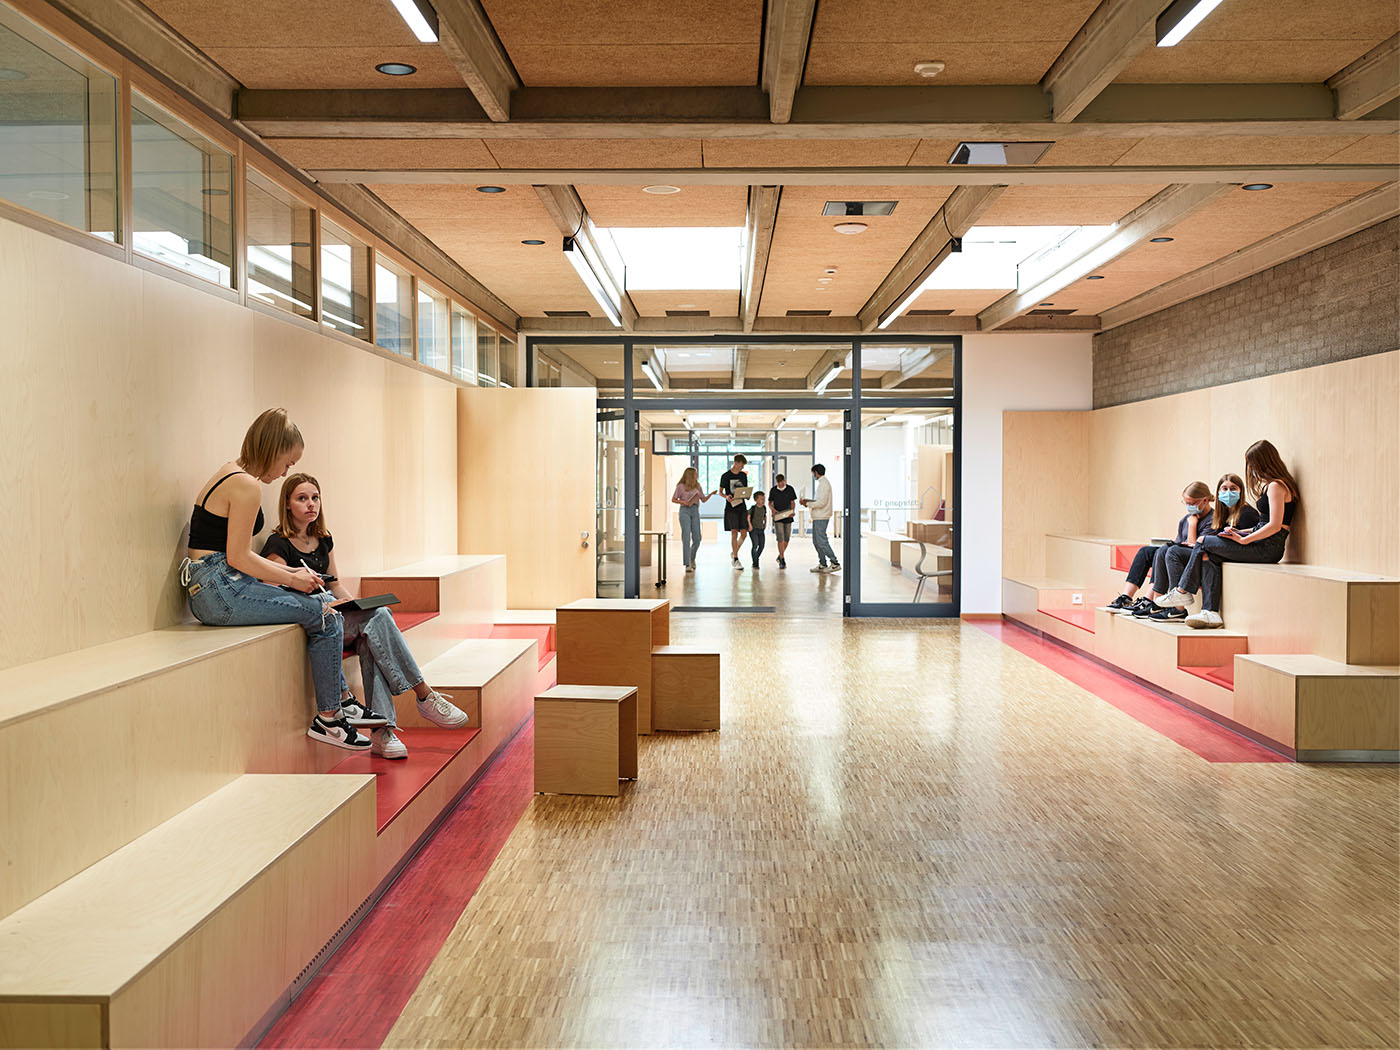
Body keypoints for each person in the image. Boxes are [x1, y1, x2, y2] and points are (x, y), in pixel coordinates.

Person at [179, 408, 369, 752]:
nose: (285, 473)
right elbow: (238, 556)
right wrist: (293, 580)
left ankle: (341, 701)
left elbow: (235, 557)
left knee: (326, 603)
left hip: (216, 582)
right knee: (324, 613)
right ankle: (330, 717)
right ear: (273, 449)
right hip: (217, 588)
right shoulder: (245, 485)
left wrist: (293, 573)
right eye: (287, 464)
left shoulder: (233, 474)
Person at [261, 474, 469, 759]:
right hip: (310, 624)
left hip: (334, 617)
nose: (311, 504)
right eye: (302, 498)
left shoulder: (323, 539)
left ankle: (384, 733)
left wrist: (350, 602)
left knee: (374, 634)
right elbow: (274, 592)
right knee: (380, 617)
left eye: (315, 498)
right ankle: (424, 696)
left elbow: (334, 583)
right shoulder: (278, 544)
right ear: (286, 505)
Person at [1156, 441, 1299, 629]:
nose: (1253, 470)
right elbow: (1263, 525)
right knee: (1209, 554)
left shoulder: (1276, 486)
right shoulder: (1271, 486)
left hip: (1269, 548)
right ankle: (1210, 612)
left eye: (1254, 464)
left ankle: (1182, 591)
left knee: (1203, 541)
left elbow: (1275, 525)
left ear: (1264, 462)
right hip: (1264, 543)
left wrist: (1244, 539)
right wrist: (1238, 532)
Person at [1146, 472, 1260, 622]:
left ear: (1241, 491)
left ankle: (1180, 600)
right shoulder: (1223, 513)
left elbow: (1247, 540)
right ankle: (1200, 609)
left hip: (1245, 552)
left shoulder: (1247, 513)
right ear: (1218, 492)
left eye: (1233, 488)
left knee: (1181, 550)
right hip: (1218, 552)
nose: (1228, 492)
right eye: (1224, 489)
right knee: (1164, 550)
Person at [1103, 482, 1213, 616]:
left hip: (1194, 563)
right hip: (1176, 556)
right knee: (1146, 551)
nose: (1189, 507)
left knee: (1164, 551)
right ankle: (1126, 598)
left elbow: (1193, 548)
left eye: (1192, 503)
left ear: (1205, 500)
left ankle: (1153, 601)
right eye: (1186, 503)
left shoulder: (1211, 520)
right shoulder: (1185, 519)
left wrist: (1192, 525)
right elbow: (1179, 542)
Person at [671, 466, 717, 573]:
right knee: (686, 536)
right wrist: (683, 502)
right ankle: (687, 563)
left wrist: (711, 494)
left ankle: (692, 558)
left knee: (697, 538)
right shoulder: (680, 487)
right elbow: (673, 499)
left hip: (695, 511)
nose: (697, 475)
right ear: (690, 475)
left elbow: (703, 499)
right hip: (684, 511)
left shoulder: (697, 486)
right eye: (695, 474)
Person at [800, 463, 840, 574]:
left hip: (822, 517)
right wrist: (808, 502)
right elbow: (819, 501)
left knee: (822, 541)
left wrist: (807, 504)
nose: (813, 475)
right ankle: (822, 564)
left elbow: (821, 503)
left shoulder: (824, 484)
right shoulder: (822, 483)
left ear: (816, 473)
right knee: (816, 541)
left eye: (813, 473)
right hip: (818, 516)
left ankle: (835, 563)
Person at [719, 454, 750, 571]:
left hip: (741, 506)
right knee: (734, 532)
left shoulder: (743, 476)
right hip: (731, 507)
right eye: (741, 465)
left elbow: (744, 491)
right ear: (736, 463)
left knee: (744, 534)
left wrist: (747, 495)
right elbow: (720, 492)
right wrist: (726, 496)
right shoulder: (726, 476)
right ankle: (736, 559)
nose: (742, 468)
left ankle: (734, 551)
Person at [768, 473, 797, 569]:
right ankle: (782, 559)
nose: (780, 485)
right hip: (778, 516)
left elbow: (793, 502)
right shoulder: (773, 490)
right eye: (778, 483)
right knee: (780, 538)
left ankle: (780, 555)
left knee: (787, 538)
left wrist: (792, 511)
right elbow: (769, 503)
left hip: (788, 515)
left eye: (781, 483)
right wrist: (773, 510)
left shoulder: (790, 489)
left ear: (784, 481)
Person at [748, 490, 767, 569]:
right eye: (761, 499)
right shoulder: (753, 508)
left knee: (762, 545)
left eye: (764, 499)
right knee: (755, 545)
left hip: (761, 529)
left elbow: (764, 516)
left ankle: (756, 558)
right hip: (754, 530)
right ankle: (755, 563)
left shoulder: (764, 508)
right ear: (756, 500)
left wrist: (765, 523)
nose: (763, 500)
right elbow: (748, 517)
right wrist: (750, 526)